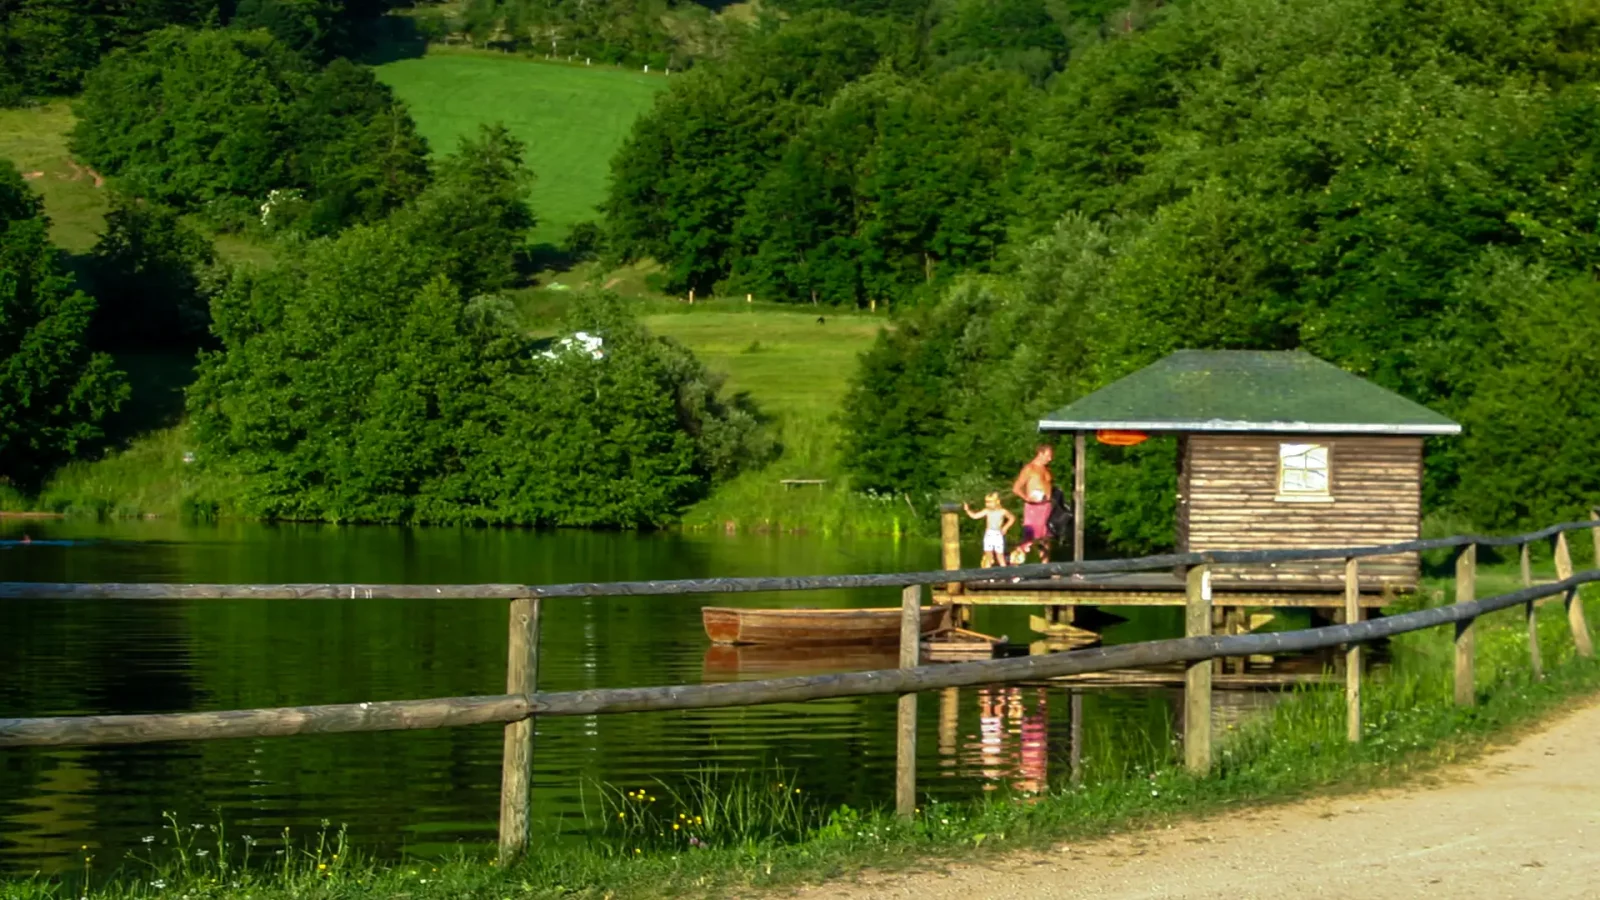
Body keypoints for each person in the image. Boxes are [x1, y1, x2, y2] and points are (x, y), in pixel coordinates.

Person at [1011, 444, 1054, 562]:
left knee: (1045, 538)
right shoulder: (1029, 469)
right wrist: (1026, 498)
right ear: (1040, 453)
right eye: (1048, 456)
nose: (1050, 459)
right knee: (1028, 539)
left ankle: (1046, 568)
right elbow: (1016, 488)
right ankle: (1014, 564)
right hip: (1034, 507)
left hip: (1046, 506)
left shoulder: (1046, 469)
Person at [963, 493, 1016, 568]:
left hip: (998, 534)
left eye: (990, 502)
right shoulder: (986, 511)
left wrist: (1005, 527)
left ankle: (1005, 573)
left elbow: (1012, 518)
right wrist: (967, 510)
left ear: (997, 502)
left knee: (999, 555)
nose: (988, 504)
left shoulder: (1002, 511)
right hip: (989, 534)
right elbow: (975, 516)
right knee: (988, 555)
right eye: (987, 502)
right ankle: (987, 575)